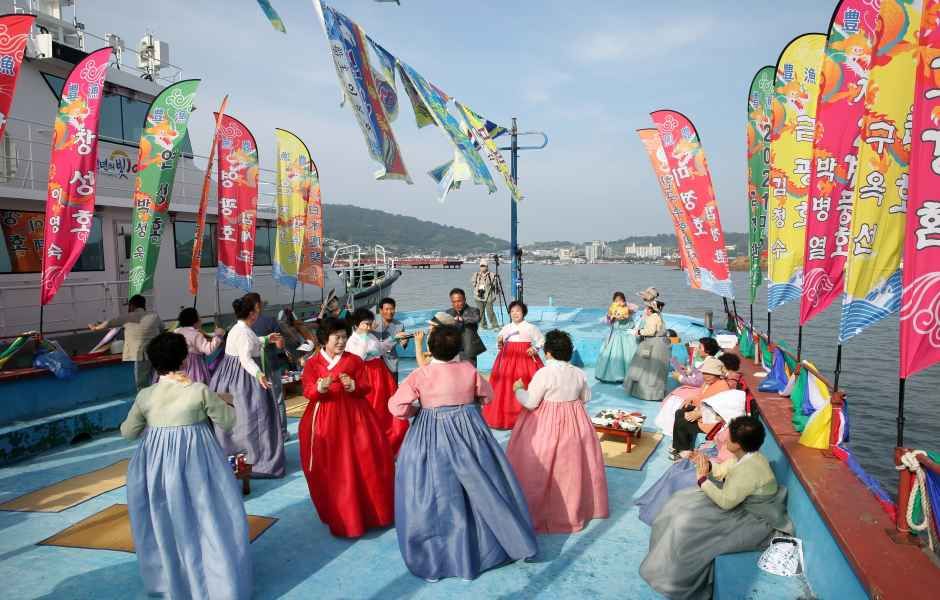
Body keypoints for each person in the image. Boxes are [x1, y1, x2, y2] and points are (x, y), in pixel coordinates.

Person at [388, 324, 537, 582]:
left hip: (430, 434)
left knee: (434, 493)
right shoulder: (469, 370)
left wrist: (418, 412)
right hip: (470, 433)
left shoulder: (421, 375)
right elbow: (487, 396)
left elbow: (397, 406)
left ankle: (438, 557)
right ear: (458, 348)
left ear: (430, 348)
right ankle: (491, 544)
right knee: (482, 486)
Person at [121, 332, 251, 600]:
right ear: (184, 359)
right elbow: (228, 421)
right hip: (198, 463)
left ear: (155, 363)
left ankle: (173, 582)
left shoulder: (145, 396)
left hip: (156, 469)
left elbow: (129, 433)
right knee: (208, 518)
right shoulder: (198, 390)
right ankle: (217, 583)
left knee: (166, 523)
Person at [640, 416, 792, 599]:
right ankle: (663, 564)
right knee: (678, 502)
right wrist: (704, 463)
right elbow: (723, 471)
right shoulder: (748, 456)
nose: (725, 439)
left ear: (738, 444)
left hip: (755, 519)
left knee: (685, 527)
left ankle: (673, 579)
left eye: (730, 438)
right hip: (739, 505)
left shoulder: (749, 468)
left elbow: (726, 502)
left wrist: (703, 479)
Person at [299, 317, 394, 538]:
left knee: (366, 462)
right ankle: (340, 514)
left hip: (356, 417)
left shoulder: (354, 360)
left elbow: (365, 386)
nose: (342, 342)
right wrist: (319, 388)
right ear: (324, 339)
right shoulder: (313, 363)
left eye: (344, 337)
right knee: (331, 467)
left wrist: (354, 386)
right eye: (337, 337)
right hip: (324, 418)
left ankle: (371, 512)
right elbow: (307, 391)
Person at [506, 329, 609, 533]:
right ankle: (572, 509)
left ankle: (539, 510)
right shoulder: (579, 373)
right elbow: (586, 397)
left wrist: (518, 389)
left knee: (540, 465)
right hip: (575, 422)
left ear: (548, 353)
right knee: (572, 468)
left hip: (546, 422)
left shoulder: (544, 373)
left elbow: (531, 402)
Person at [635, 387, 747, 526]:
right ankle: (656, 506)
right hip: (713, 459)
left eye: (718, 411)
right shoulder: (727, 424)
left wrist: (701, 459)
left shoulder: (734, 434)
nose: (715, 413)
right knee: (678, 466)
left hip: (718, 470)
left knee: (680, 478)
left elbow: (726, 463)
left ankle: (663, 515)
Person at [209, 295, 286, 478]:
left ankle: (232, 454)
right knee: (254, 416)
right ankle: (256, 459)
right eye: (258, 308)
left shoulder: (238, 328)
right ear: (252, 313)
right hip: (243, 377)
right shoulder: (244, 332)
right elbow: (245, 357)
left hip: (227, 376)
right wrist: (258, 373)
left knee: (237, 416)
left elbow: (248, 343)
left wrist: (265, 339)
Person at [346, 307, 410, 455]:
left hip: (380, 372)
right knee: (374, 406)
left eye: (369, 323)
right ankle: (373, 444)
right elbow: (357, 358)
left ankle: (392, 441)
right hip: (367, 373)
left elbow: (382, 348)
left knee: (387, 404)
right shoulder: (353, 340)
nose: (368, 327)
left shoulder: (370, 336)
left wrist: (394, 339)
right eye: (365, 324)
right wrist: (363, 341)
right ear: (357, 324)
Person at [484, 300, 544, 429]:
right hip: (507, 359)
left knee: (528, 383)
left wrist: (535, 348)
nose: (515, 313)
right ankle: (507, 417)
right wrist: (499, 343)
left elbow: (541, 340)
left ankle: (529, 416)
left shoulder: (530, 327)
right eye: (512, 311)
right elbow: (499, 342)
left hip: (525, 359)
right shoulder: (507, 327)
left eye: (518, 311)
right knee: (505, 385)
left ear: (524, 313)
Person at [89, 294, 163, 390]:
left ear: (132, 305)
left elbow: (109, 323)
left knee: (141, 385)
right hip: (157, 354)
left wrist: (95, 328)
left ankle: (145, 402)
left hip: (141, 355)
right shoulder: (154, 316)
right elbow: (162, 328)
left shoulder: (127, 317)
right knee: (158, 382)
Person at [244, 292, 290, 442]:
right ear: (257, 305)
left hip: (249, 369)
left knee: (255, 402)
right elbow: (280, 344)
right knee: (277, 400)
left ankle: (262, 435)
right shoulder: (269, 321)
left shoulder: (242, 324)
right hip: (270, 365)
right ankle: (282, 433)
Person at [654, 341, 723, 434]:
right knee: (675, 396)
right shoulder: (707, 361)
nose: (696, 349)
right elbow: (698, 375)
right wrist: (689, 371)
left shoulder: (710, 363)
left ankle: (670, 427)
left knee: (675, 399)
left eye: (700, 347)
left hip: (699, 389)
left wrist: (680, 377)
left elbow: (698, 381)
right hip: (698, 388)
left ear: (707, 351)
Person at [670, 356, 731, 459]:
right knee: (679, 412)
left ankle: (685, 451)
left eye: (708, 374)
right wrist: (691, 399)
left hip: (712, 421)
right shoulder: (709, 383)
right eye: (704, 373)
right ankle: (681, 447)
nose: (705, 376)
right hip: (703, 412)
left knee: (683, 423)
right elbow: (701, 396)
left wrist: (699, 413)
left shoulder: (722, 386)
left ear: (717, 374)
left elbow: (720, 409)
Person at [624, 296, 671, 401]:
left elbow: (650, 331)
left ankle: (646, 393)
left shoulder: (652, 317)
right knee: (656, 369)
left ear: (650, 309)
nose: (645, 310)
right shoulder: (659, 316)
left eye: (647, 308)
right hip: (661, 345)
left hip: (652, 345)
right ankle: (656, 393)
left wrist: (639, 332)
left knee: (646, 368)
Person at [595, 291, 640, 383]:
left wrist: (625, 307)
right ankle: (615, 376)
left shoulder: (629, 308)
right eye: (616, 301)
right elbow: (608, 322)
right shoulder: (612, 309)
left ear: (624, 300)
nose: (618, 302)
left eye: (620, 300)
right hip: (616, 336)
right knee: (614, 356)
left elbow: (636, 308)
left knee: (629, 355)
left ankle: (631, 376)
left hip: (627, 336)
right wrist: (611, 317)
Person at [172, 307, 224, 384]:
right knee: (197, 382)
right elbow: (208, 349)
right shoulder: (196, 334)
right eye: (199, 316)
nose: (201, 318)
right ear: (194, 321)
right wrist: (218, 336)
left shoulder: (177, 331)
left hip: (179, 363)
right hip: (194, 365)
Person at [372, 297, 409, 381]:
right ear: (381, 310)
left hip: (390, 360)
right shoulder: (372, 321)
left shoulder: (399, 325)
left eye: (392, 309)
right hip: (374, 358)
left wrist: (405, 342)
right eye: (386, 309)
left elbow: (403, 344)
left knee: (393, 387)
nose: (389, 312)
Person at [445, 288, 486, 366]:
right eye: (454, 302)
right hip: (452, 349)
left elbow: (476, 318)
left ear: (464, 299)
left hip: (468, 349)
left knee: (470, 374)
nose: (457, 304)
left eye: (459, 301)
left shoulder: (474, 310)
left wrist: (462, 319)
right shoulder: (448, 312)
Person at [471, 258, 499, 330]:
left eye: (484, 266)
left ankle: (495, 325)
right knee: (480, 312)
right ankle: (483, 325)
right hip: (478, 296)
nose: (482, 267)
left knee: (490, 312)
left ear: (487, 266)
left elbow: (496, 285)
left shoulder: (492, 275)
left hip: (488, 296)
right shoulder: (476, 274)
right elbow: (473, 283)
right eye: (481, 266)